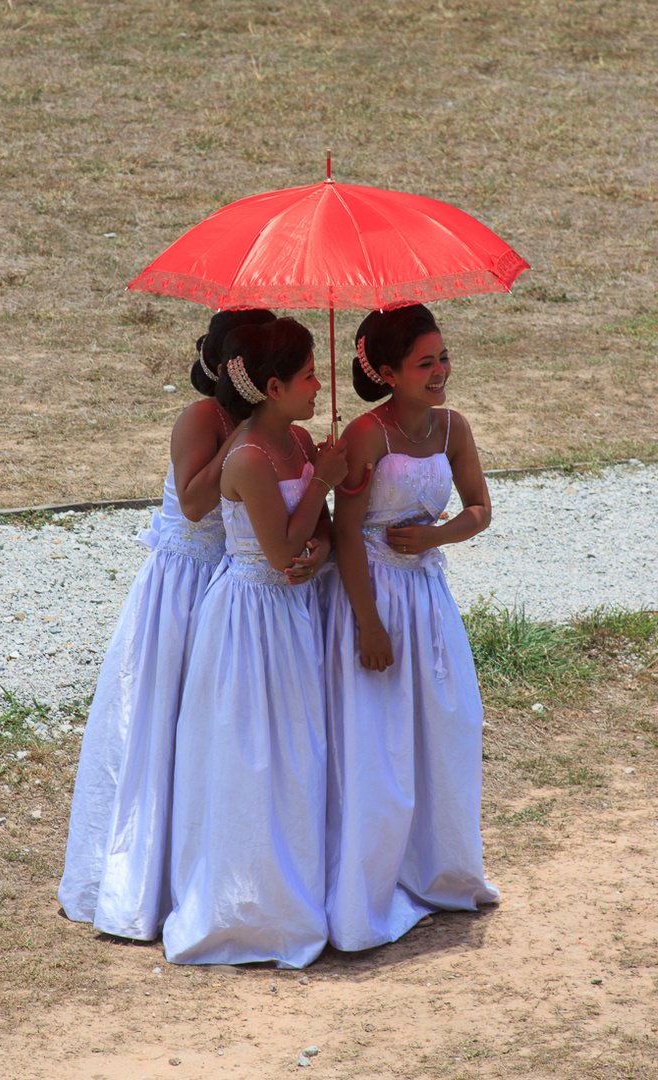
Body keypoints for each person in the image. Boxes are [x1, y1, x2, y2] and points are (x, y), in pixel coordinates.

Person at [58, 308, 278, 941]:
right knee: (160, 721)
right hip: (184, 586)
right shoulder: (201, 420)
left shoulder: (260, 421)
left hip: (234, 587)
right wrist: (244, 442)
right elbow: (192, 500)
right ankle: (142, 877)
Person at [161, 317, 348, 968]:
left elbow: (313, 536)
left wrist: (322, 546)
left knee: (299, 751)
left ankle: (301, 883)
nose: (319, 386)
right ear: (271, 386)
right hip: (252, 624)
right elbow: (276, 552)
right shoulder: (245, 457)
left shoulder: (297, 440)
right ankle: (251, 903)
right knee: (252, 754)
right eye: (307, 377)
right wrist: (323, 483)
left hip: (295, 618)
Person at [323, 303, 499, 952]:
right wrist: (368, 624)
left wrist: (437, 533)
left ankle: (442, 868)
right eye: (426, 362)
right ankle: (373, 884)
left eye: (444, 357)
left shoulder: (454, 428)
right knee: (381, 741)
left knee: (448, 724)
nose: (441, 371)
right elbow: (345, 533)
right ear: (389, 373)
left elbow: (480, 508)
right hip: (373, 593)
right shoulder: (370, 434)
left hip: (427, 592)